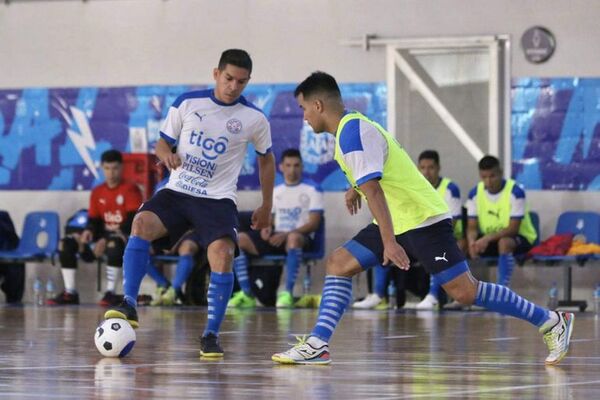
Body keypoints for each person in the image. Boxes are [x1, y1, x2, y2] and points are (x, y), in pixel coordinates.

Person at [271, 71, 573, 366]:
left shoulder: (352, 131)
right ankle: (318, 344)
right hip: (397, 220)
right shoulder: (351, 129)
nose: (304, 116)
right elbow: (375, 172)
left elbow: (374, 191)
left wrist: (388, 242)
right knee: (338, 263)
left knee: (465, 292)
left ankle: (551, 321)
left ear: (318, 105)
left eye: (304, 109)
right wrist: (354, 189)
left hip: (422, 220)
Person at [104, 49, 275, 358]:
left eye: (241, 81)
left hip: (217, 199)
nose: (234, 86)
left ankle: (210, 334)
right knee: (140, 223)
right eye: (228, 78)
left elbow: (267, 160)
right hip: (179, 191)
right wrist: (165, 154)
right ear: (215, 74)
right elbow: (162, 142)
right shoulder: (187, 102)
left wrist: (266, 205)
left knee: (222, 255)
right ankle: (129, 303)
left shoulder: (254, 119)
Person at [228, 148, 324, 308]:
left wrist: (286, 234)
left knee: (293, 239)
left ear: (302, 167)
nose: (292, 169)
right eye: (288, 165)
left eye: (296, 165)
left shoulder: (313, 189)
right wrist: (267, 227)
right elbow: (270, 218)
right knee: (239, 239)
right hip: (276, 237)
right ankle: (246, 294)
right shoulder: (275, 190)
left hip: (299, 238)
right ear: (281, 167)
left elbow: (313, 223)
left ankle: (287, 293)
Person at [47, 150, 143, 306]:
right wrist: (87, 232)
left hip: (123, 240)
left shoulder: (131, 190)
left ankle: (110, 293)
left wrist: (106, 239)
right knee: (66, 243)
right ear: (101, 169)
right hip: (99, 241)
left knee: (114, 243)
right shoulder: (98, 192)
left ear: (122, 168)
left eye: (115, 168)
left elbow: (134, 221)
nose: (111, 173)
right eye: (107, 168)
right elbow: (94, 220)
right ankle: (70, 292)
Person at [466, 155, 537, 287]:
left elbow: (513, 229)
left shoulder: (515, 192)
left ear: (501, 172)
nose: (488, 181)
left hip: (520, 239)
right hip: (491, 239)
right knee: (462, 246)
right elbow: (472, 227)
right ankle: (464, 294)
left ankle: (502, 290)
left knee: (504, 243)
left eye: (492, 176)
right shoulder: (474, 193)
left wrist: (486, 239)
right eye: (484, 177)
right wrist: (471, 242)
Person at [415, 149, 466, 310]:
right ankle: (379, 295)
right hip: (419, 236)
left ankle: (433, 295)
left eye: (430, 167)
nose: (426, 172)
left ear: (438, 168)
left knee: (437, 246)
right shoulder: (414, 188)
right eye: (422, 168)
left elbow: (453, 223)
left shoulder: (450, 189)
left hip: (446, 236)